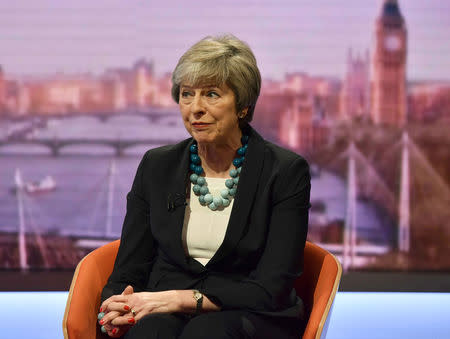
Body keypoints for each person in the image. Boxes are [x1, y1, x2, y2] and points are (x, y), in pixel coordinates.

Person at [97, 34, 311, 339]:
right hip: (162, 310)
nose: (195, 108)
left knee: (206, 333)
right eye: (187, 94)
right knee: (151, 332)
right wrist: (114, 307)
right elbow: (129, 268)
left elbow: (271, 288)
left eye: (211, 94)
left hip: (251, 314)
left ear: (243, 106)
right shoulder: (157, 166)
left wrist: (180, 298)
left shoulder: (285, 172)